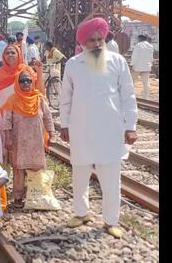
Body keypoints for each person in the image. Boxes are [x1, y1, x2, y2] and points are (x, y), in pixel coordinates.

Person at [60, 17, 138, 238]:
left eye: (99, 39)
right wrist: (64, 123)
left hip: (110, 130)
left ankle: (111, 220)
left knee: (111, 178)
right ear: (83, 43)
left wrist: (130, 126)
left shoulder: (117, 62)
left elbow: (128, 95)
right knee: (80, 174)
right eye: (91, 40)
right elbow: (66, 97)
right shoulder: (73, 64)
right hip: (80, 129)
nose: (96, 44)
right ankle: (81, 212)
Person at [1, 69, 55, 208]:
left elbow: (48, 117)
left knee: (37, 168)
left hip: (36, 141)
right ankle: (18, 197)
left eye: (28, 80)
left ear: (33, 82)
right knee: (19, 169)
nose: (25, 83)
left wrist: (52, 135)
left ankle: (37, 196)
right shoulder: (12, 99)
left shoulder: (39, 98)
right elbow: (6, 121)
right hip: (19, 141)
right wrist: (7, 139)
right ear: (17, 83)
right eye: (22, 81)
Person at [0, 45, 44, 111]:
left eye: (13, 53)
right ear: (3, 56)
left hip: (23, 112)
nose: (10, 55)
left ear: (18, 54)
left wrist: (39, 73)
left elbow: (40, 93)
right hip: (3, 112)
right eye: (7, 53)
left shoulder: (27, 70)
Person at [130, 34, 154, 99]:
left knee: (131, 81)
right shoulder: (151, 46)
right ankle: (146, 98)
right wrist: (150, 63)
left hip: (137, 67)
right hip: (147, 67)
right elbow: (151, 58)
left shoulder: (138, 45)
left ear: (140, 38)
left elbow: (134, 56)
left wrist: (131, 65)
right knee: (146, 83)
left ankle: (130, 96)